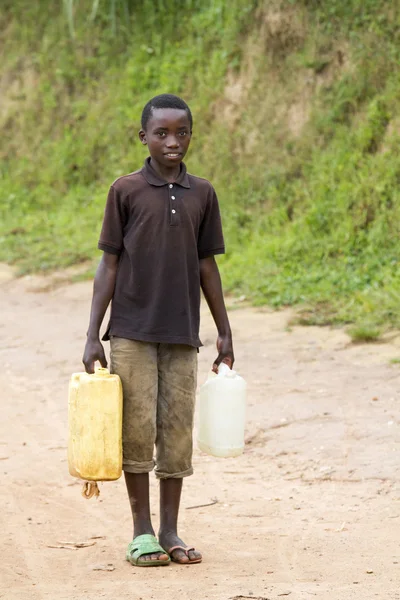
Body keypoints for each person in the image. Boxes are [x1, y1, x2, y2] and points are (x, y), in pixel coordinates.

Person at [82, 93, 234, 567]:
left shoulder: (202, 193)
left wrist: (224, 331)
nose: (173, 141)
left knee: (175, 431)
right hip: (130, 330)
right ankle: (142, 531)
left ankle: (170, 530)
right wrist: (93, 333)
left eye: (182, 132)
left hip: (182, 332)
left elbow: (206, 265)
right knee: (135, 429)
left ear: (191, 135)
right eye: (162, 133)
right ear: (142, 136)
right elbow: (109, 264)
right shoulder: (125, 190)